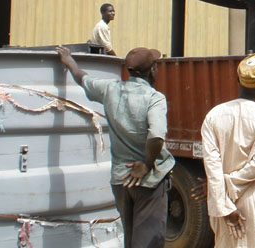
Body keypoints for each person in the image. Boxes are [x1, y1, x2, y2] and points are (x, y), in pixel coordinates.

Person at [56, 45, 175, 248]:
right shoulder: (154, 98)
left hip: (121, 180)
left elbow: (82, 78)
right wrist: (146, 164)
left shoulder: (110, 89)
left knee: (129, 238)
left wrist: (70, 62)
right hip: (148, 181)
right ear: (152, 70)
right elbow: (156, 136)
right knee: (148, 241)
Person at [201, 51, 255, 247]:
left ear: (238, 79)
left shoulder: (214, 115)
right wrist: (229, 184)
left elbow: (212, 164)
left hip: (223, 201)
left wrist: (222, 197)